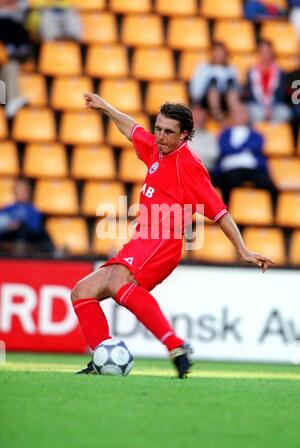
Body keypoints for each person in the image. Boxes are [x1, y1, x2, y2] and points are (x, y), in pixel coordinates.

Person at [72, 93, 274, 378]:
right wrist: (106, 107)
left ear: (184, 136)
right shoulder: (156, 150)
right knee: (82, 292)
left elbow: (220, 213)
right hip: (143, 237)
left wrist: (242, 250)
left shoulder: (189, 166)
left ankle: (176, 345)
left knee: (118, 281)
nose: (160, 136)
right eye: (158, 128)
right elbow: (132, 129)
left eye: (168, 132)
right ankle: (103, 357)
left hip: (164, 239)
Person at [212, 103, 278, 209]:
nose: (239, 116)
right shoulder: (224, 133)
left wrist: (236, 148)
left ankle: (274, 216)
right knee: (227, 183)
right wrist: (244, 148)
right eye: (236, 113)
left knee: (270, 185)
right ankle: (228, 216)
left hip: (252, 167)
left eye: (242, 113)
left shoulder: (256, 134)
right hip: (230, 168)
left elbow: (257, 145)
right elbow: (224, 148)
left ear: (247, 116)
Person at [189, 41, 239, 122]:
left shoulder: (231, 69)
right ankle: (218, 116)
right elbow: (196, 91)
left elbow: (236, 90)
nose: (219, 55)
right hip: (205, 100)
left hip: (226, 100)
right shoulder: (203, 68)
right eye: (216, 52)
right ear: (212, 53)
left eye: (221, 52)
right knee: (213, 86)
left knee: (230, 89)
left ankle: (236, 117)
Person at [0, 178, 53, 254]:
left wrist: (20, 223)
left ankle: (51, 252)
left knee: (24, 228)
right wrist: (9, 225)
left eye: (24, 190)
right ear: (14, 192)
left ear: (28, 192)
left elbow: (35, 227)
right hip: (10, 234)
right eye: (19, 190)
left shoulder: (33, 209)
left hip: (27, 236)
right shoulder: (8, 209)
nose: (22, 193)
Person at [245, 40, 292, 123]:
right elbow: (249, 95)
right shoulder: (251, 72)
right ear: (258, 54)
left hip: (275, 106)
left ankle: (273, 132)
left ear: (271, 53)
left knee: (285, 112)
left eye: (268, 52)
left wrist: (271, 108)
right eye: (262, 52)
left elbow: (281, 94)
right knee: (253, 112)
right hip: (257, 106)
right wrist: (264, 108)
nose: (265, 56)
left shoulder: (280, 72)